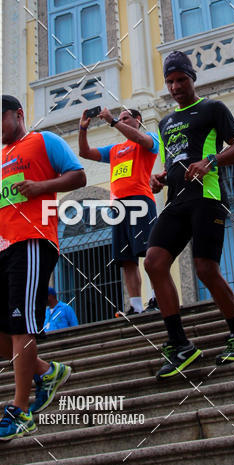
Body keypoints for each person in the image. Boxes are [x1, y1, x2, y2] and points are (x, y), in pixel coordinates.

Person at [0, 95, 86, 442]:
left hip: (34, 240)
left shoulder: (43, 141)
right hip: (0, 246)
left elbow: (78, 176)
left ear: (17, 114)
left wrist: (41, 187)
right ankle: (46, 372)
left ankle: (21, 411)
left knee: (22, 323)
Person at [145, 50, 234, 380]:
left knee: (206, 268)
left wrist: (210, 161)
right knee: (153, 261)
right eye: (170, 81)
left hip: (207, 197)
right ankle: (179, 343)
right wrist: (161, 177)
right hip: (177, 200)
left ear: (193, 79)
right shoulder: (165, 123)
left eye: (181, 79)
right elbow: (175, 160)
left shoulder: (212, 109)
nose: (176, 86)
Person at [78, 106, 159, 316]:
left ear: (138, 120)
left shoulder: (148, 138)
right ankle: (135, 306)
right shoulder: (114, 150)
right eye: (120, 118)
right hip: (118, 206)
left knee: (150, 253)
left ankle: (156, 298)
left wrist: (113, 121)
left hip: (140, 201)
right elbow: (85, 153)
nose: (121, 120)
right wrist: (83, 129)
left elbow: (143, 141)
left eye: (126, 118)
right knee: (127, 259)